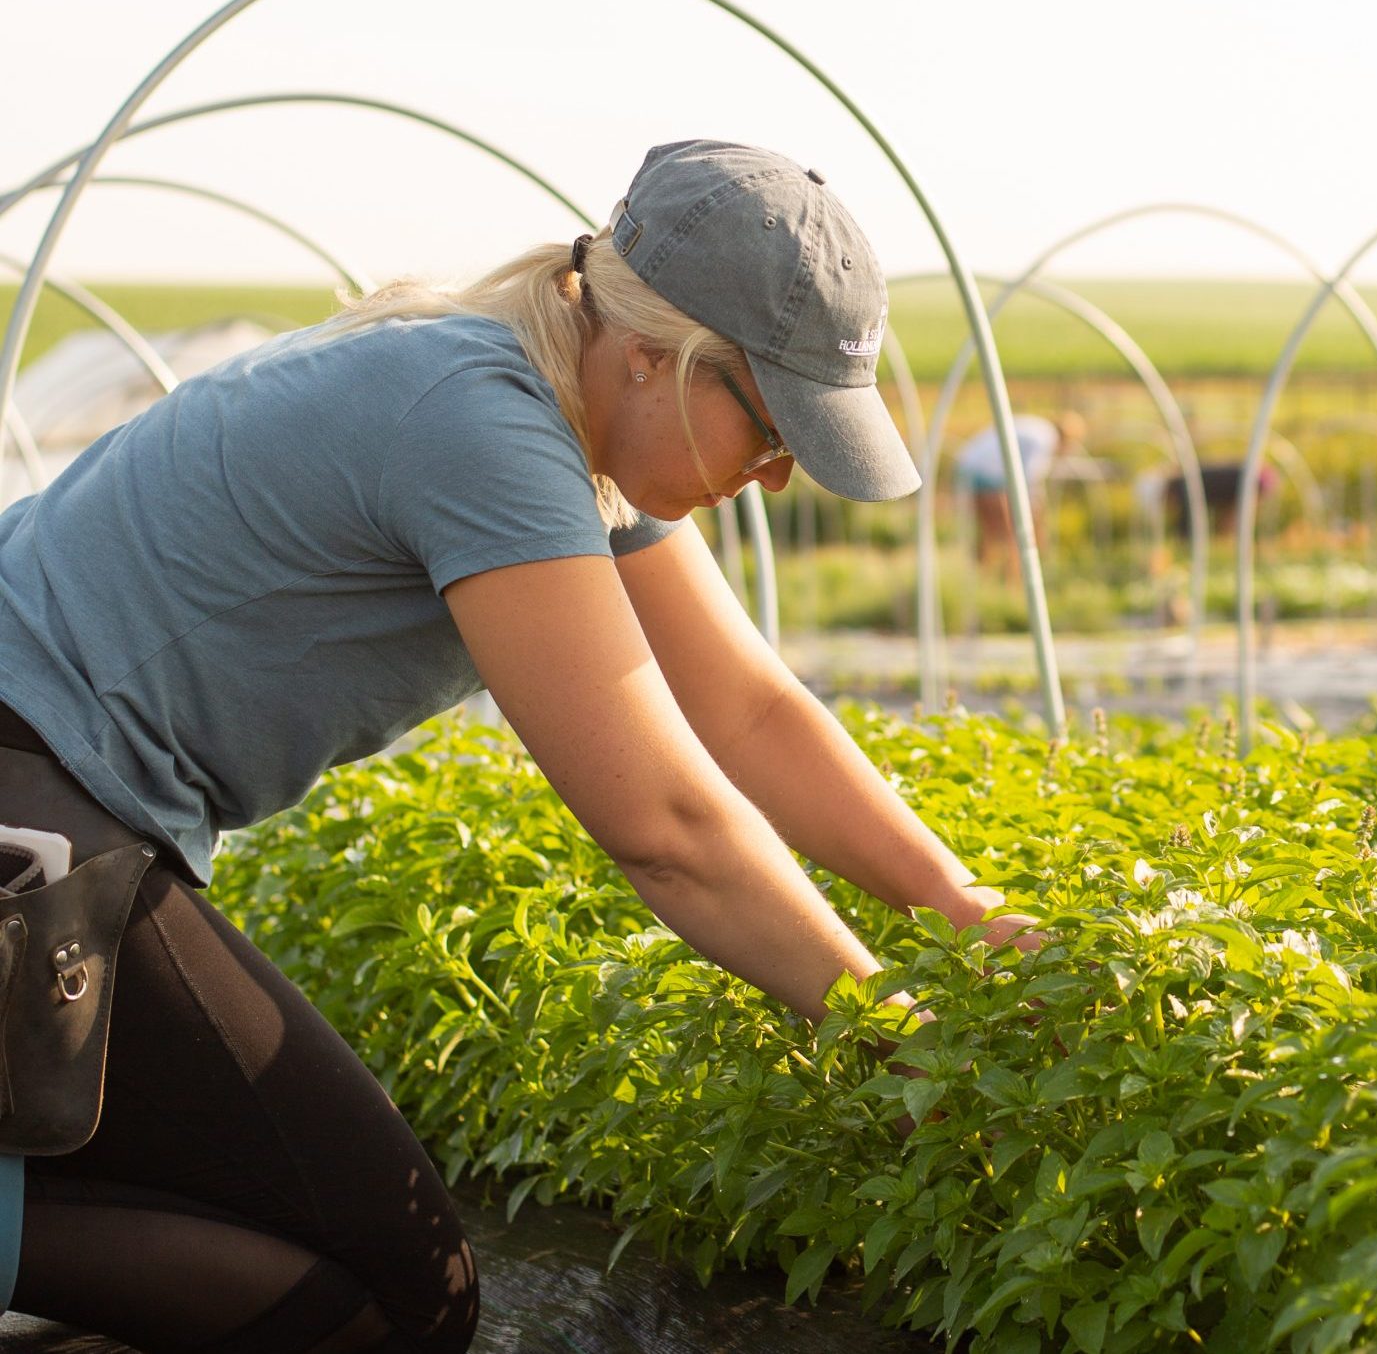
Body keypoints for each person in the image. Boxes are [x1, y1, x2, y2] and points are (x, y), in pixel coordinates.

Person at [0, 140, 1039, 1352]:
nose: (773, 476)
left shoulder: (557, 411)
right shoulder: (478, 423)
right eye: (770, 427)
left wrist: (961, 908)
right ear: (652, 354)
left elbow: (748, 710)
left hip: (55, 790)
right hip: (33, 793)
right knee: (403, 1298)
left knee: (253, 1238)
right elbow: (665, 826)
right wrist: (881, 1030)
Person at [953, 410, 1084, 576]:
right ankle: (1012, 577)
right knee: (1013, 531)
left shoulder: (1039, 428)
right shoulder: (1045, 439)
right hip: (988, 472)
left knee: (991, 531)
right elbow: (1030, 477)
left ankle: (984, 575)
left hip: (971, 465)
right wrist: (1035, 508)